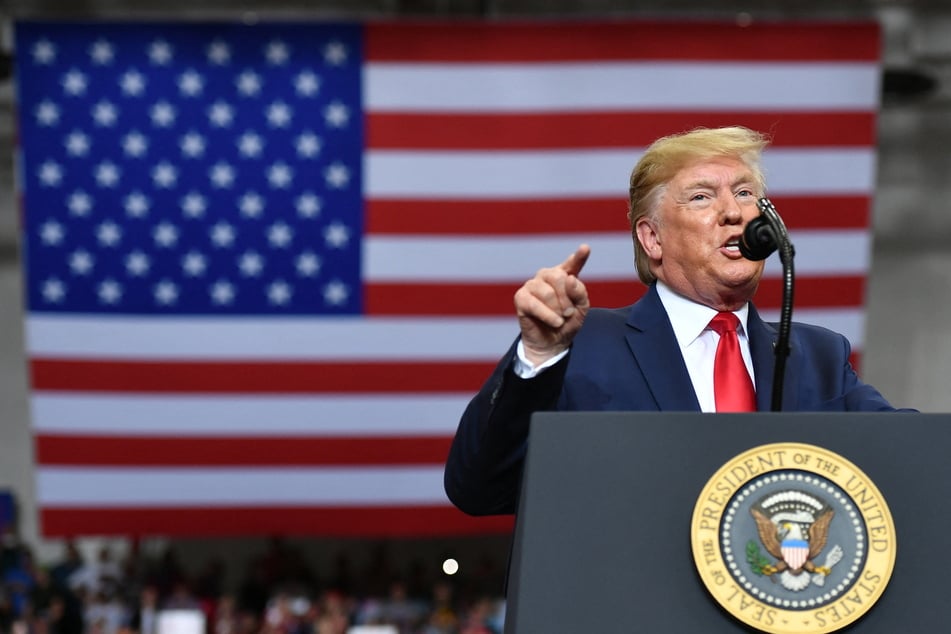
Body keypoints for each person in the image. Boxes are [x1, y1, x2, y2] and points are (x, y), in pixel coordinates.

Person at [444, 126, 910, 517]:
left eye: (746, 192)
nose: (734, 211)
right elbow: (479, 489)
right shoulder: (584, 344)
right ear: (652, 239)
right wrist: (540, 356)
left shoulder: (819, 357)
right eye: (703, 196)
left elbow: (910, 458)